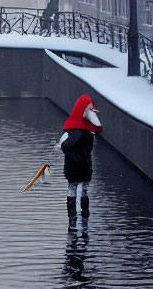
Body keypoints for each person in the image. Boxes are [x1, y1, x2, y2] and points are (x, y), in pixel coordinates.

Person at [56, 94, 102, 228]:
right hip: (84, 166)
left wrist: (72, 155)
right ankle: (85, 216)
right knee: (83, 190)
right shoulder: (85, 131)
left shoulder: (76, 131)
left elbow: (66, 146)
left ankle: (72, 217)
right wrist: (81, 157)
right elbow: (86, 148)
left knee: (72, 189)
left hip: (74, 167)